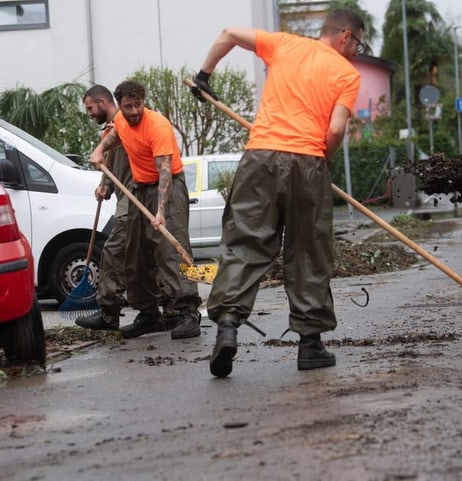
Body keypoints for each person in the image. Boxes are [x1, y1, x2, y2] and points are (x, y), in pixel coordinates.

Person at [190, 8, 364, 377]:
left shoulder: (283, 44)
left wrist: (204, 77)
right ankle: (310, 345)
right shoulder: (347, 74)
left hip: (260, 157)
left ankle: (227, 328)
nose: (356, 53)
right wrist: (321, 162)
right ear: (345, 36)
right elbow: (334, 132)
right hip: (308, 162)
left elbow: (228, 33)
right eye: (358, 45)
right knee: (308, 251)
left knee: (245, 243)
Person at [89, 80, 202, 340]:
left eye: (138, 105)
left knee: (171, 250)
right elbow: (116, 137)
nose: (134, 111)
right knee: (136, 254)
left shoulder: (158, 125)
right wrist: (99, 150)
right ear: (120, 106)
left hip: (167, 188)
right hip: (139, 188)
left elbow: (164, 170)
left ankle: (187, 312)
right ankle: (149, 314)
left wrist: (161, 212)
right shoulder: (120, 122)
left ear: (143, 102)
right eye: (128, 106)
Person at [75, 85, 132, 331]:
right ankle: (158, 313)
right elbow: (112, 164)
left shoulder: (122, 125)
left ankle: (109, 314)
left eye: (90, 108)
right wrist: (104, 186)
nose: (88, 113)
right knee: (136, 257)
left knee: (113, 250)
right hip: (125, 199)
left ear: (101, 102)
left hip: (134, 198)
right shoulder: (110, 130)